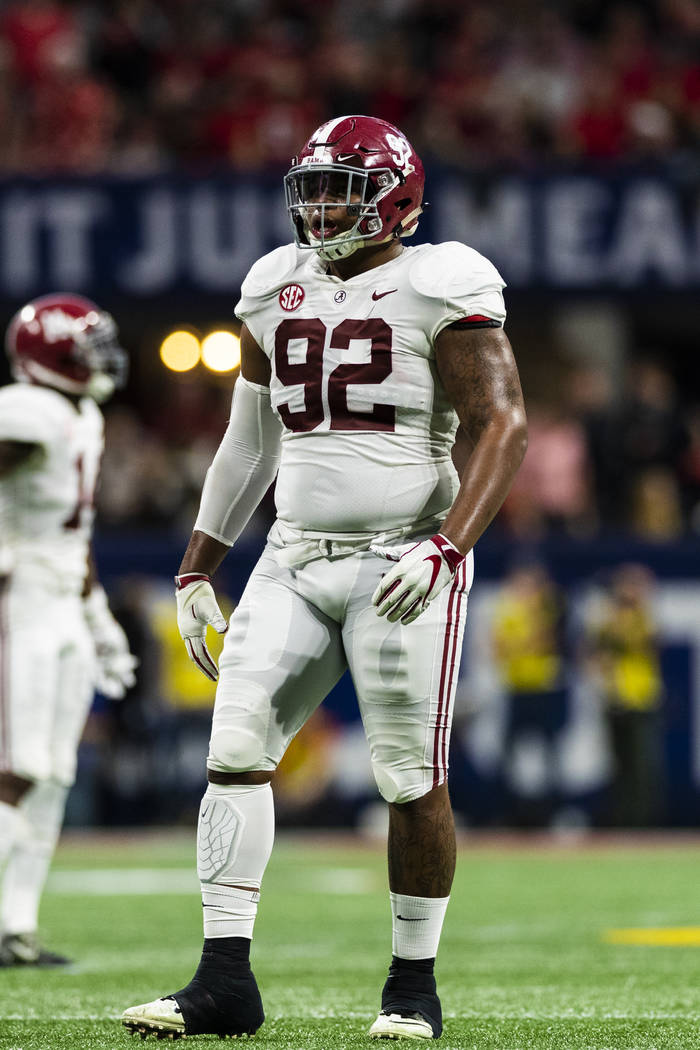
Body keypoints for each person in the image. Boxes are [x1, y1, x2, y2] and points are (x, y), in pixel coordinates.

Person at [122, 114, 527, 1041]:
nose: (322, 207)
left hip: (405, 555)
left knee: (407, 778)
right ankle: (224, 981)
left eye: (344, 187)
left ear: (397, 196)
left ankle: (412, 989)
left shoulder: (442, 278)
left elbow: (505, 427)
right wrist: (198, 565)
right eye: (314, 187)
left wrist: (449, 548)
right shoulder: (274, 282)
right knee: (233, 754)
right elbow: (249, 441)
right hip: (294, 555)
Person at [0, 293, 137, 965]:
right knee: (18, 767)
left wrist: (97, 613)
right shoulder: (26, 409)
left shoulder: (81, 414)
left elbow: (74, 536)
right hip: (18, 595)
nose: (100, 362)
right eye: (85, 349)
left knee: (54, 772)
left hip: (61, 596)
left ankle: (14, 928)